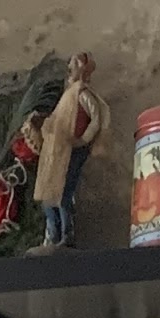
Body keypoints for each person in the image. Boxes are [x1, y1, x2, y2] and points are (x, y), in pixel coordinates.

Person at [28, 53, 103, 248]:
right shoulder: (68, 95)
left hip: (73, 150)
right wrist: (42, 123)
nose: (70, 67)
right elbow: (57, 121)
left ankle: (66, 235)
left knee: (63, 192)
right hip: (58, 150)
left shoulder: (83, 94)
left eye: (75, 64)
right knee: (47, 193)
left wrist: (82, 140)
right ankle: (53, 234)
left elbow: (96, 119)